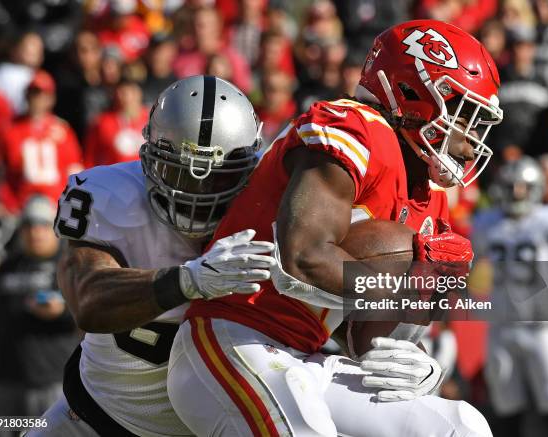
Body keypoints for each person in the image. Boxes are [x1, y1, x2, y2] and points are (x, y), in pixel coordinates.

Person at [168, 19, 503, 436]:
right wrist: (403, 288)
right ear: (413, 93)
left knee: (461, 427)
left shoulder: (430, 197)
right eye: (465, 114)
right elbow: (302, 262)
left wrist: (416, 359)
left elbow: (363, 341)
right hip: (233, 335)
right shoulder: (354, 128)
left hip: (308, 356)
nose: (470, 138)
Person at [30, 75, 276, 436]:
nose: (199, 193)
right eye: (180, 174)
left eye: (219, 179)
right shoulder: (106, 195)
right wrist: (187, 281)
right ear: (149, 155)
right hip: (94, 420)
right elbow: (88, 300)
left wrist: (375, 327)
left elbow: (347, 271)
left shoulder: (277, 208)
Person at [476, 157, 548, 437]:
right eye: (511, 186)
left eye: (524, 187)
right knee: (505, 413)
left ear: (537, 189)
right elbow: (460, 269)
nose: (517, 193)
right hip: (502, 328)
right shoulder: (486, 223)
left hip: (541, 329)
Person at [0, 196, 79, 436]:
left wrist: (63, 312)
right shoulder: (8, 265)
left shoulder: (71, 265)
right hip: (5, 382)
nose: (34, 231)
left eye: (41, 224)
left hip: (52, 383)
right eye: (27, 224)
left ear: (55, 227)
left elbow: (91, 312)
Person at [0, 70, 83, 213]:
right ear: (27, 95)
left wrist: (71, 206)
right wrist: (8, 204)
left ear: (51, 98)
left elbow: (75, 171)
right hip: (21, 207)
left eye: (43, 94)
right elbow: (0, 173)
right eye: (34, 93)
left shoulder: (63, 130)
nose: (37, 99)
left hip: (56, 207)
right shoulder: (11, 130)